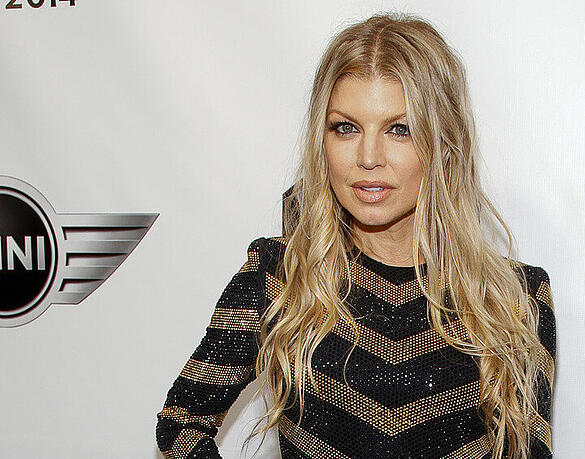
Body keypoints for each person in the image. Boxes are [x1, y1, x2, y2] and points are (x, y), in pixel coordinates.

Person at [156, 12, 555, 459]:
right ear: (321, 139)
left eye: (399, 129)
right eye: (345, 128)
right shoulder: (279, 277)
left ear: (445, 144)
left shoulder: (515, 298)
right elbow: (181, 423)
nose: (368, 156)